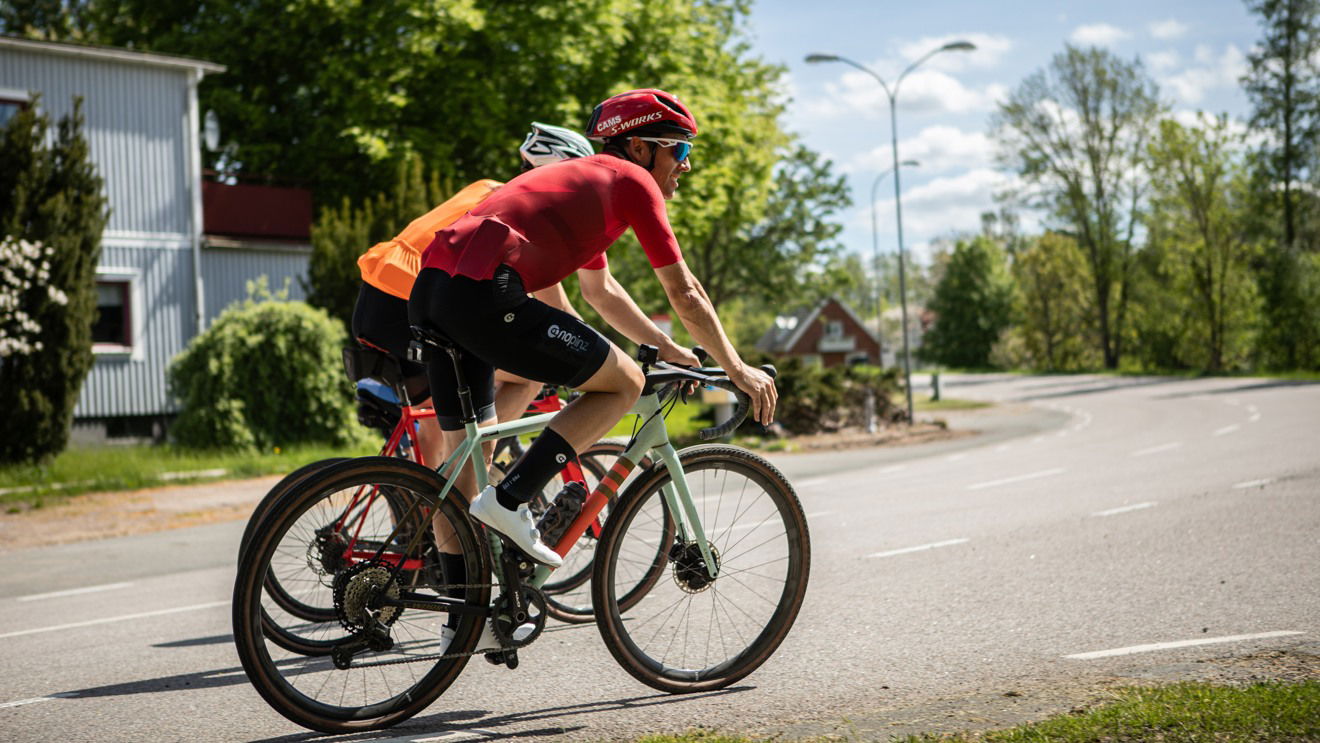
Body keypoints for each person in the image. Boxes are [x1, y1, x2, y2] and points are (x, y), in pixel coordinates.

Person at [409, 89, 777, 568]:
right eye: (679, 149)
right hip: (483, 294)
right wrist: (738, 368)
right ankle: (512, 499)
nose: (686, 164)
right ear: (641, 148)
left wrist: (664, 345)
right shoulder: (632, 182)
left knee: (462, 471)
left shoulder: (587, 187)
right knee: (625, 382)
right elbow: (685, 293)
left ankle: (462, 619)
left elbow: (601, 291)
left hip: (433, 293)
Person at [350, 122, 596, 466]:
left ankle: (428, 499)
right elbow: (551, 298)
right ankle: (479, 466)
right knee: (529, 375)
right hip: (409, 302)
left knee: (444, 409)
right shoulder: (520, 206)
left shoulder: (487, 187)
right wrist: (593, 353)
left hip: (376, 302)